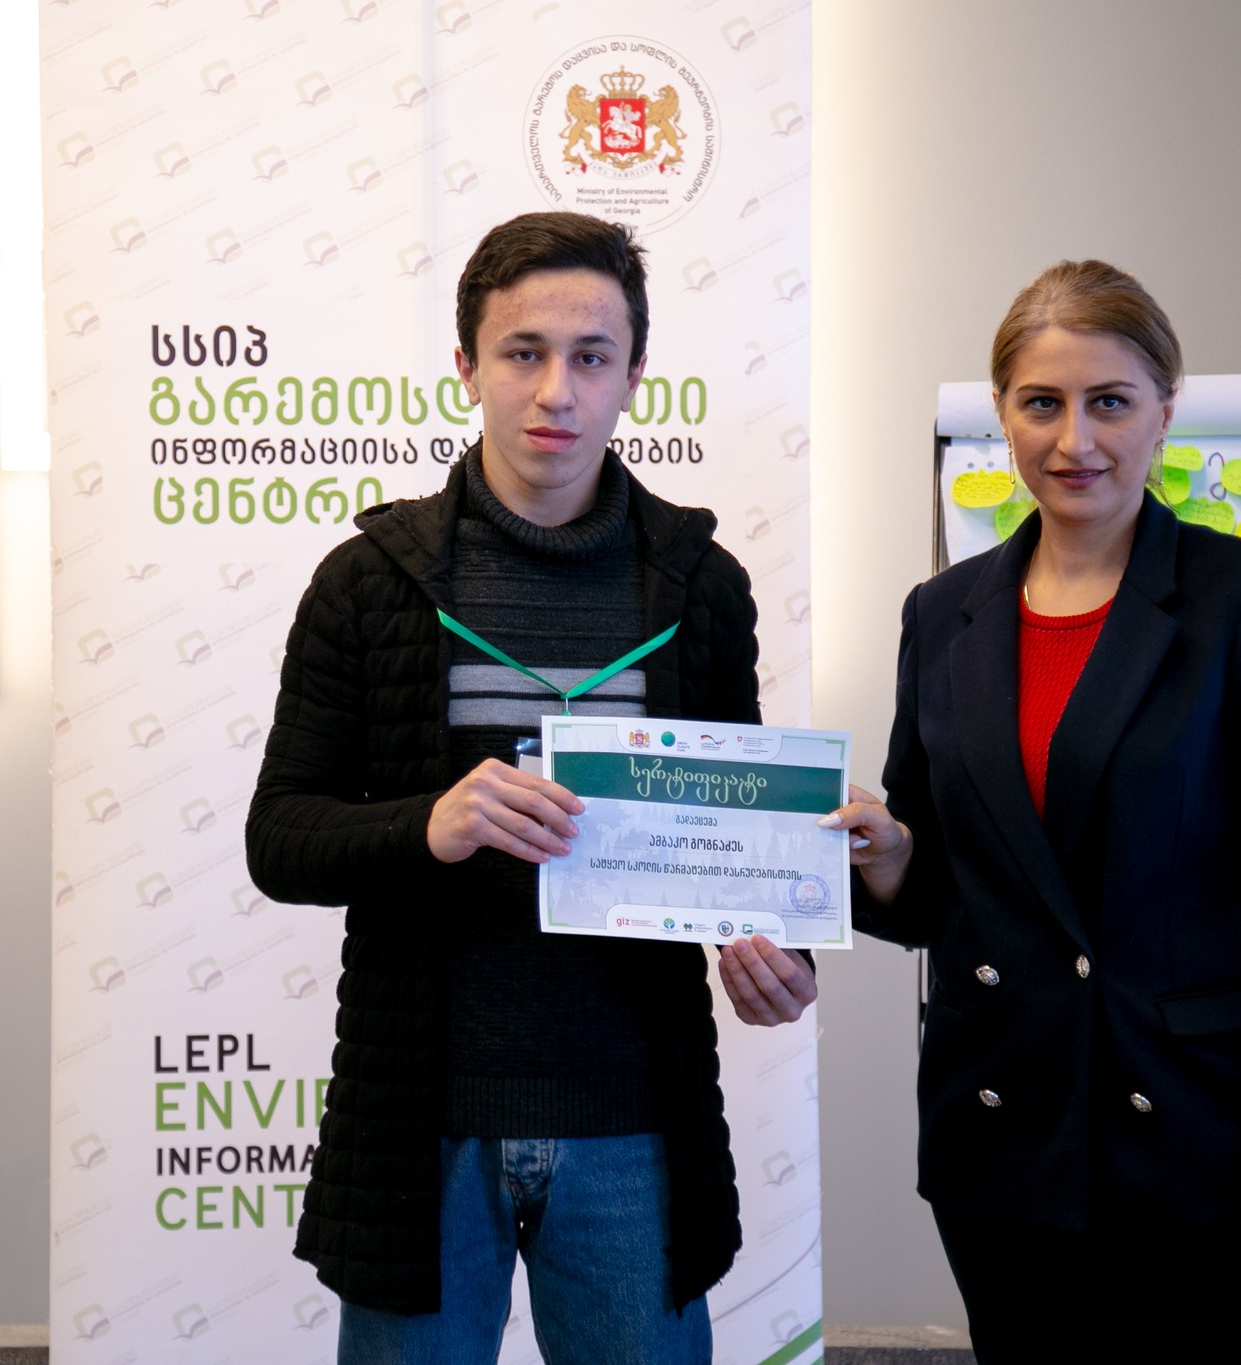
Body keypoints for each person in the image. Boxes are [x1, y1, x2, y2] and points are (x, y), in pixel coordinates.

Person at [245, 211, 817, 1365]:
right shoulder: (368, 583)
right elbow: (281, 839)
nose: (556, 389)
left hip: (634, 1123)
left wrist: (776, 954)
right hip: (421, 1125)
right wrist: (432, 824)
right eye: (522, 352)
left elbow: (736, 837)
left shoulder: (699, 587)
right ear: (466, 365)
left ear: (634, 377)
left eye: (591, 356)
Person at [826, 260, 1241, 1361]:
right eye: (1042, 402)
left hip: (1209, 1139)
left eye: (1108, 401)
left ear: (1164, 408)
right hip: (1005, 1143)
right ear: (1002, 413)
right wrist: (886, 855)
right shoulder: (942, 612)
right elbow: (941, 891)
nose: (1074, 439)